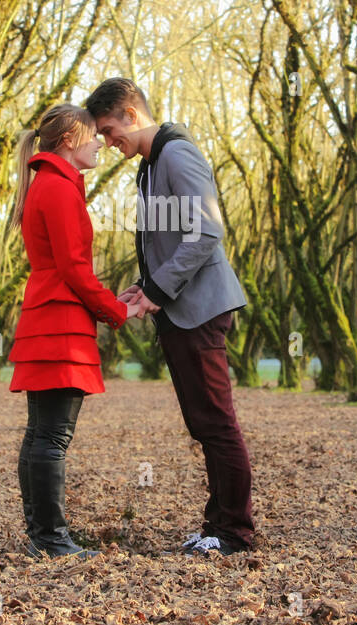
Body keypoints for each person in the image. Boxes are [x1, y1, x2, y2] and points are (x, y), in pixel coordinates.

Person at [85, 77, 255, 556]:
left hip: (199, 308)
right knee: (204, 424)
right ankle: (216, 525)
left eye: (109, 129)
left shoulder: (176, 154)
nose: (107, 141)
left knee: (217, 424)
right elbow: (171, 238)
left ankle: (235, 533)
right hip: (181, 308)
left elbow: (206, 232)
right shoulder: (152, 162)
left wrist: (159, 288)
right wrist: (146, 285)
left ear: (132, 114)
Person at [9, 103, 147, 559]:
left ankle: (41, 536)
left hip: (48, 319)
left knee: (39, 433)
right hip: (60, 324)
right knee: (51, 436)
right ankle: (51, 540)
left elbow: (68, 266)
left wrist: (110, 303)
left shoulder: (46, 184)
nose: (101, 145)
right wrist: (116, 311)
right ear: (69, 140)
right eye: (94, 137)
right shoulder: (59, 189)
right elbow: (73, 267)